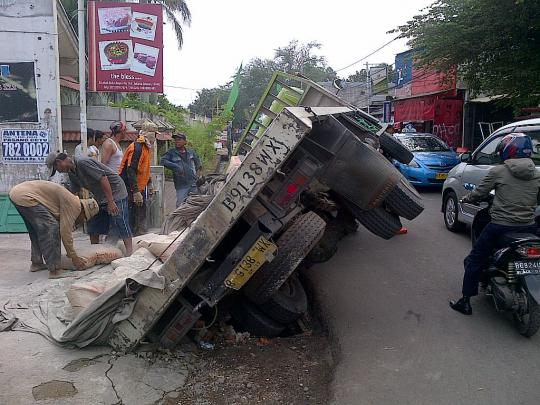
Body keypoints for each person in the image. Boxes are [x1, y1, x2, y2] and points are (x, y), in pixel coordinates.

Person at [450, 133, 540, 315]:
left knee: (474, 259)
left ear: (509, 150)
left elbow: (480, 192)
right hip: (529, 226)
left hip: (500, 225)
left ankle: (465, 301)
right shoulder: (536, 173)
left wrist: (467, 198)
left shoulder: (498, 171)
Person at [45, 152, 133, 256]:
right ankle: (95, 252)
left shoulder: (83, 162)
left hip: (115, 192)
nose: (59, 172)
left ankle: (129, 252)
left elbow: (103, 178)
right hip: (99, 196)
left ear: (59, 162)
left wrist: (111, 201)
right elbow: (74, 193)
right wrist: (73, 214)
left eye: (57, 169)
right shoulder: (71, 173)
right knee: (93, 223)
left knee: (120, 220)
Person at [9, 180, 100, 279]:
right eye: (84, 218)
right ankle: (55, 270)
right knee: (52, 228)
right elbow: (65, 233)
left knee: (37, 230)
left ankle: (36, 263)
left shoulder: (71, 201)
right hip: (25, 196)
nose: (82, 221)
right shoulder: (75, 206)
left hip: (17, 194)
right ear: (83, 211)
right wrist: (74, 257)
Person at [118, 121, 157, 236]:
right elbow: (131, 170)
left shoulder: (146, 148)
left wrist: (149, 184)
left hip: (138, 187)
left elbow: (144, 169)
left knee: (140, 214)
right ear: (149, 134)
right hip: (128, 188)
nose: (155, 138)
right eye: (154, 134)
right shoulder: (137, 148)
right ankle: (125, 241)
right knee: (131, 216)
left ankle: (138, 236)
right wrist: (135, 192)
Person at [160, 133, 202, 207]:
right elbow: (163, 161)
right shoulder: (171, 152)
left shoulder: (191, 152)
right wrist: (176, 167)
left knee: (195, 204)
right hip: (181, 185)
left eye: (179, 140)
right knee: (180, 205)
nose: (177, 141)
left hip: (193, 183)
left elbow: (198, 164)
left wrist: (198, 176)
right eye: (175, 140)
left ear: (185, 142)